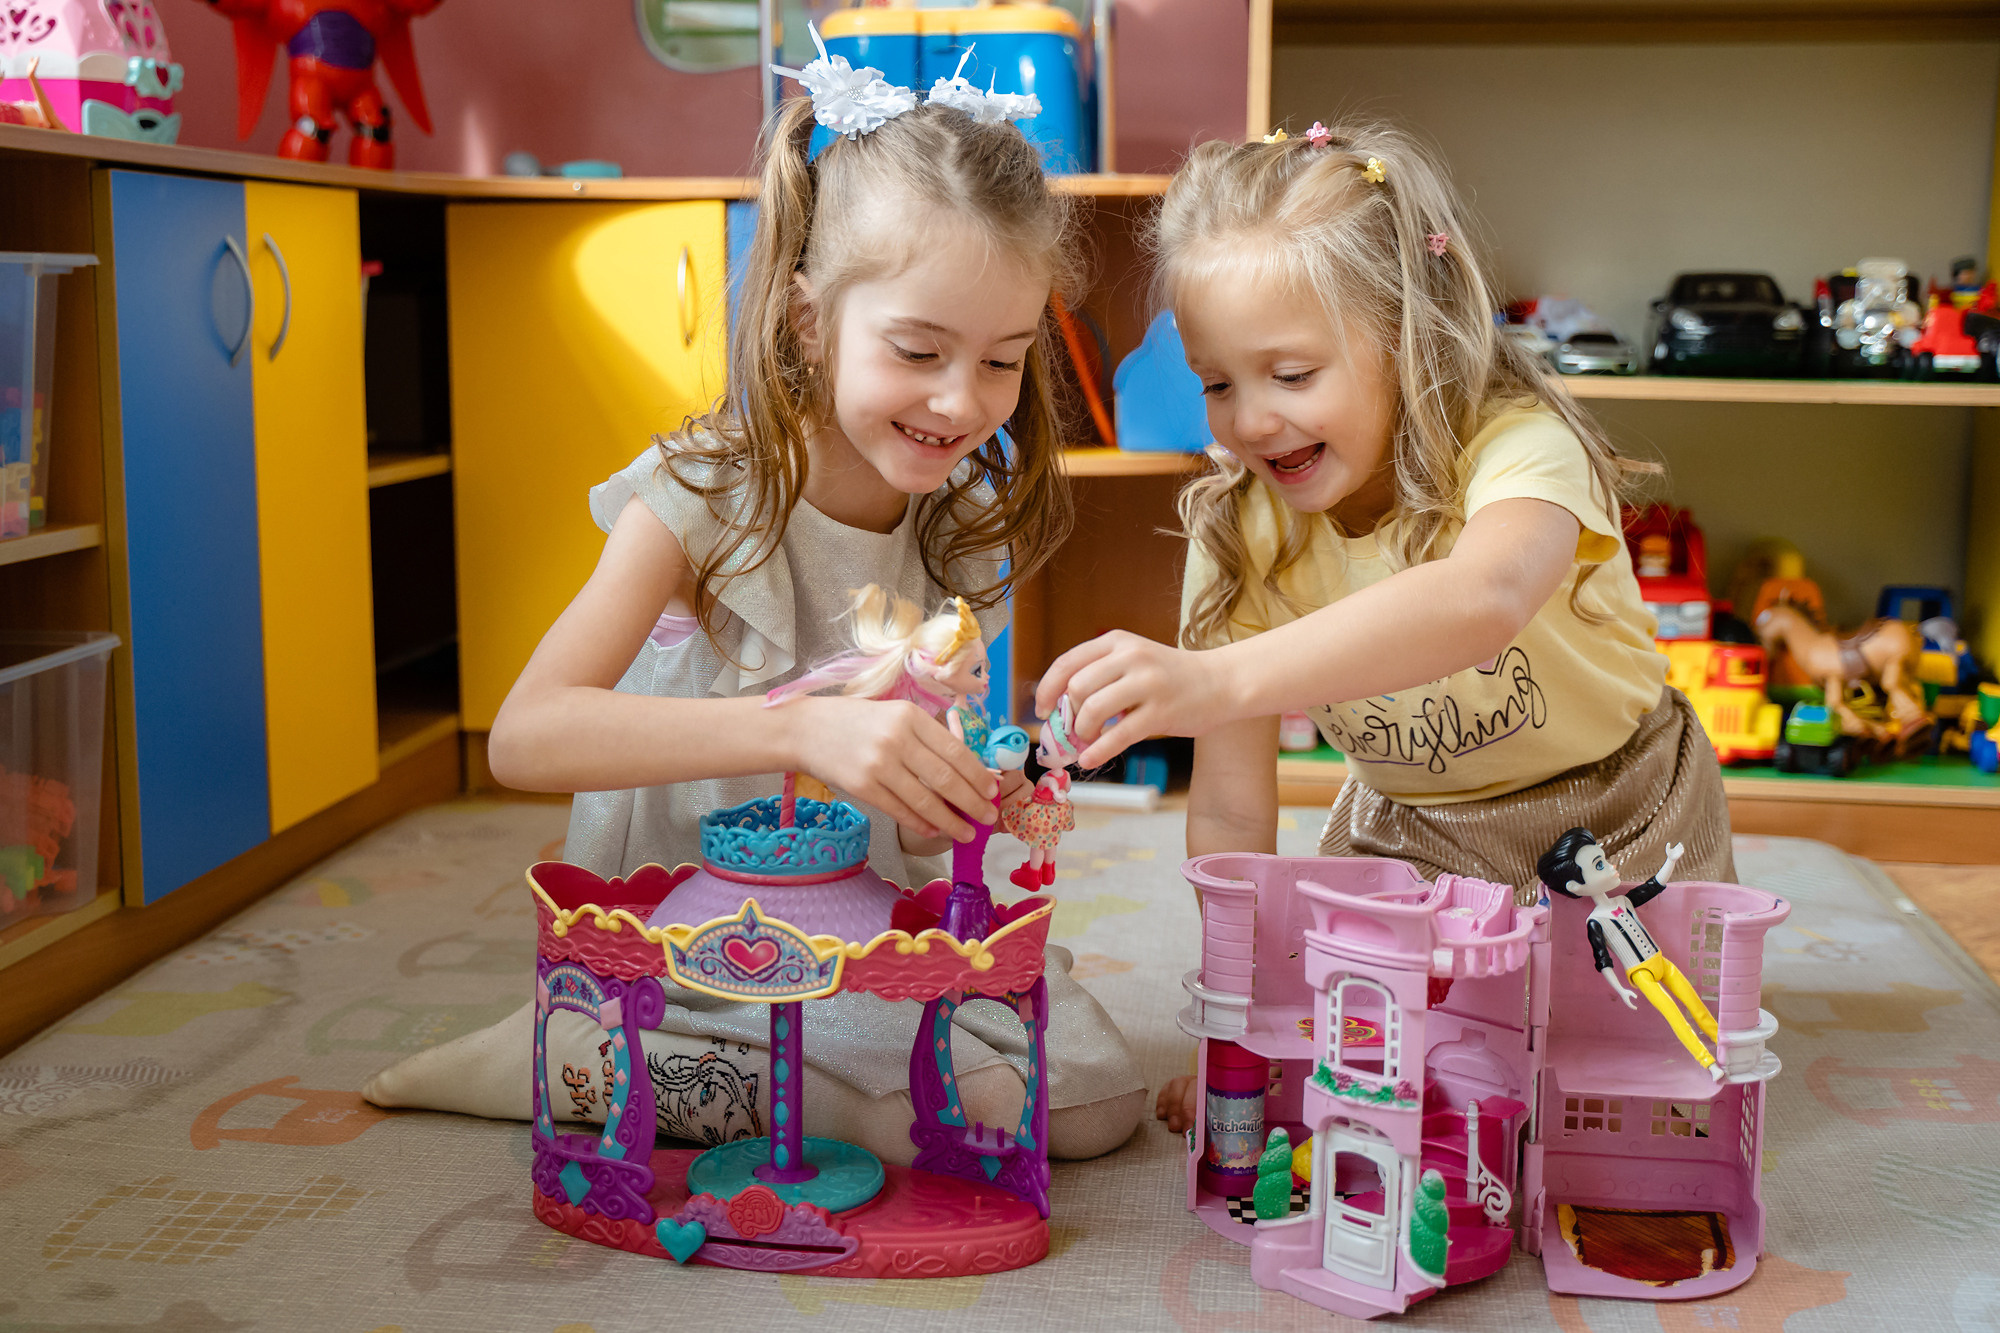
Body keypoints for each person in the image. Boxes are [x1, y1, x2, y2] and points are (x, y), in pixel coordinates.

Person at [364, 39, 1144, 1161]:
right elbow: (529, 735)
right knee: (934, 1116)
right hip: (695, 937)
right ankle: (564, 1055)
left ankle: (626, 1073)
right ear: (809, 317)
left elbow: (914, 755)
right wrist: (805, 729)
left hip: (858, 920)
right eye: (918, 349)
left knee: (1088, 1102)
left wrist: (963, 788)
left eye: (1001, 360)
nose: (958, 400)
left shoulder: (953, 513)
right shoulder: (697, 495)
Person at [1029, 122, 1732, 1133]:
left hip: (1622, 815)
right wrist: (1240, 1026)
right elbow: (1231, 815)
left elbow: (1482, 598)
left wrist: (1214, 680)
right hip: (1412, 838)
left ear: (1407, 334)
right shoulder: (1239, 531)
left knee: (1631, 1093)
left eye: (1290, 374)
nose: (1250, 422)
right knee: (1388, 1090)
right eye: (1217, 382)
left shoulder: (1521, 445)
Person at [1536, 828, 1724, 1081]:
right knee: (1675, 1016)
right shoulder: (1595, 922)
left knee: (1694, 1002)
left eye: (1604, 859)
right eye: (1599, 865)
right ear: (1576, 886)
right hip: (1641, 973)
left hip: (1662, 962)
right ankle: (1708, 1062)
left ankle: (1723, 1044)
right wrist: (1621, 989)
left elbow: (1653, 887)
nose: (1612, 867)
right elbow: (1603, 962)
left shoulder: (1624, 902)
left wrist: (1670, 861)